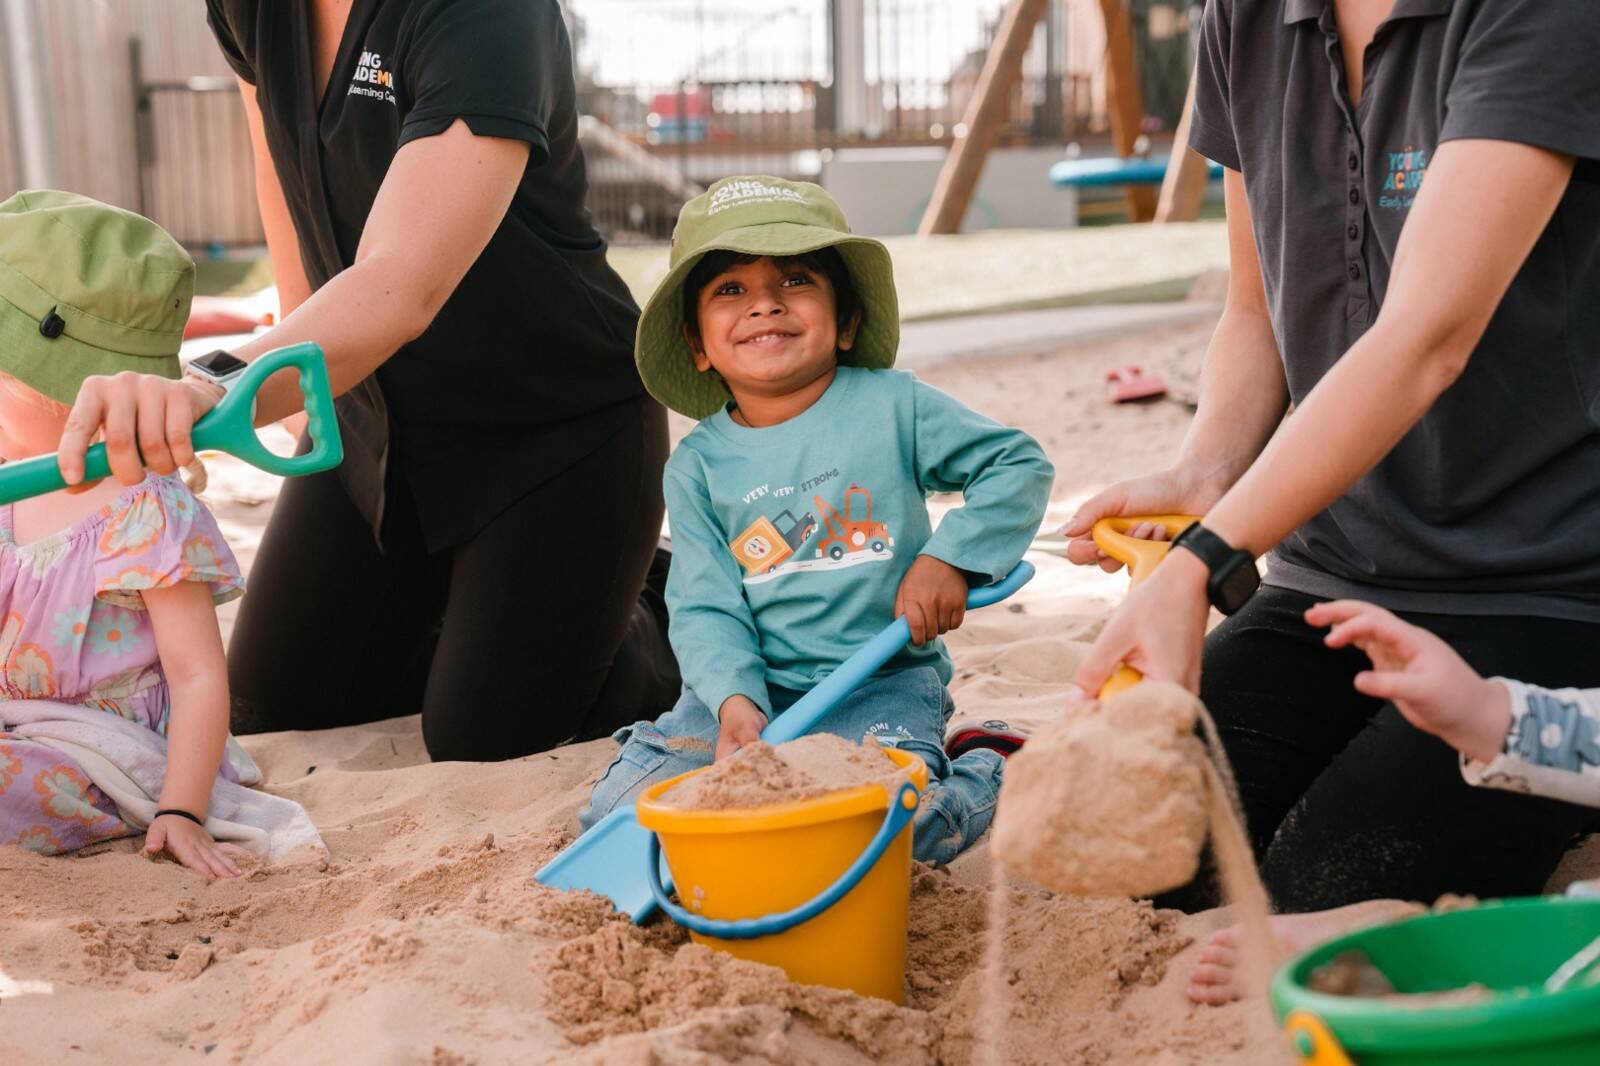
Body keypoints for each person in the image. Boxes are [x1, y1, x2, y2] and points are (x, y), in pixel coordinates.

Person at [1062, 0, 1600, 920]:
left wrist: (1201, 563)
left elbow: (1428, 339)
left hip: (1547, 583)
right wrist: (1204, 477)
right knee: (1131, 868)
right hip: (1332, 569)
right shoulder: (1242, 18)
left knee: (1317, 910)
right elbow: (1254, 306)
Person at [52, 0, 680, 761]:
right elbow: (280, 169)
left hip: (552, 428)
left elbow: (400, 283)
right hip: (370, 418)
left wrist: (209, 385)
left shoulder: (489, 13)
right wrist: (297, 374)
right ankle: (486, 602)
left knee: (484, 739)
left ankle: (645, 598)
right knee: (272, 710)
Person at [579, 177, 1054, 863]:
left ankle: (989, 765)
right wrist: (735, 699)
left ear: (848, 320)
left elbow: (1017, 464)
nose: (765, 303)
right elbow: (705, 605)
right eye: (730, 290)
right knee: (618, 812)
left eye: (795, 279)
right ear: (698, 344)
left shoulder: (895, 407)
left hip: (880, 686)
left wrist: (950, 558)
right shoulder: (698, 466)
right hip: (751, 693)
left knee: (886, 834)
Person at [0, 192, 248, 879]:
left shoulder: (146, 516)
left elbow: (199, 677)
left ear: (62, 395)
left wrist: (181, 811)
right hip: (19, 719)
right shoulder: (9, 488)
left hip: (103, 753)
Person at [1188, 598, 1600, 1004]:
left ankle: (1408, 932)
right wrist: (1487, 714)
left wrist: (1204, 554)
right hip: (1336, 587)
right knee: (1171, 859)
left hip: (1554, 602)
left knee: (1317, 902)